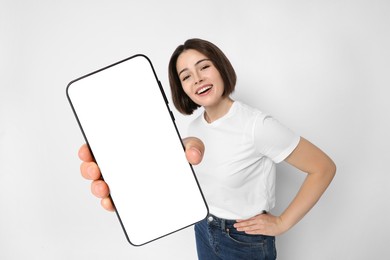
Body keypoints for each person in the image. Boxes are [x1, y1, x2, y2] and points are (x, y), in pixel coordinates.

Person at [79, 38, 336, 260]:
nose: (198, 78)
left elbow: (323, 168)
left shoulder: (257, 125)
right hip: (203, 228)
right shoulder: (193, 130)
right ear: (182, 89)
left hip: (244, 241)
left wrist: (282, 223)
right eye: (186, 76)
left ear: (220, 68)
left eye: (204, 67)